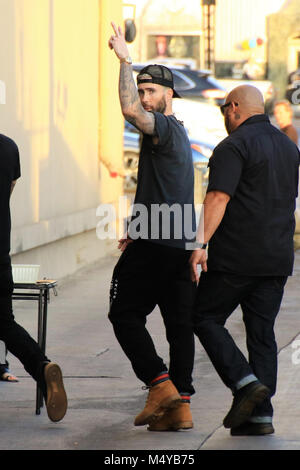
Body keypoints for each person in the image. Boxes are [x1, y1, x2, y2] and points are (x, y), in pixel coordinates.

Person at [190, 85, 300, 436]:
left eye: (224, 108)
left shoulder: (233, 146)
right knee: (261, 333)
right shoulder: (288, 146)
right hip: (277, 259)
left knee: (204, 317)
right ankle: (260, 418)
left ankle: (244, 382)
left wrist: (200, 243)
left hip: (235, 258)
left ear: (234, 107)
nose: (224, 115)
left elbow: (219, 198)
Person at [108, 22, 197, 431]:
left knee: (124, 313)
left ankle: (160, 385)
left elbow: (129, 112)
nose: (143, 98)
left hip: (157, 241)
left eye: (151, 91)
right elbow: (164, 187)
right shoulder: (179, 134)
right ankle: (182, 408)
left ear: (170, 93)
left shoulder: (162, 127)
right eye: (141, 90)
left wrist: (126, 60)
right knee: (179, 324)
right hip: (174, 240)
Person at [0, 133, 67, 422]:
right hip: (1, 252)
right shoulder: (8, 147)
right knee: (4, 322)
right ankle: (41, 368)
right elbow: (9, 189)